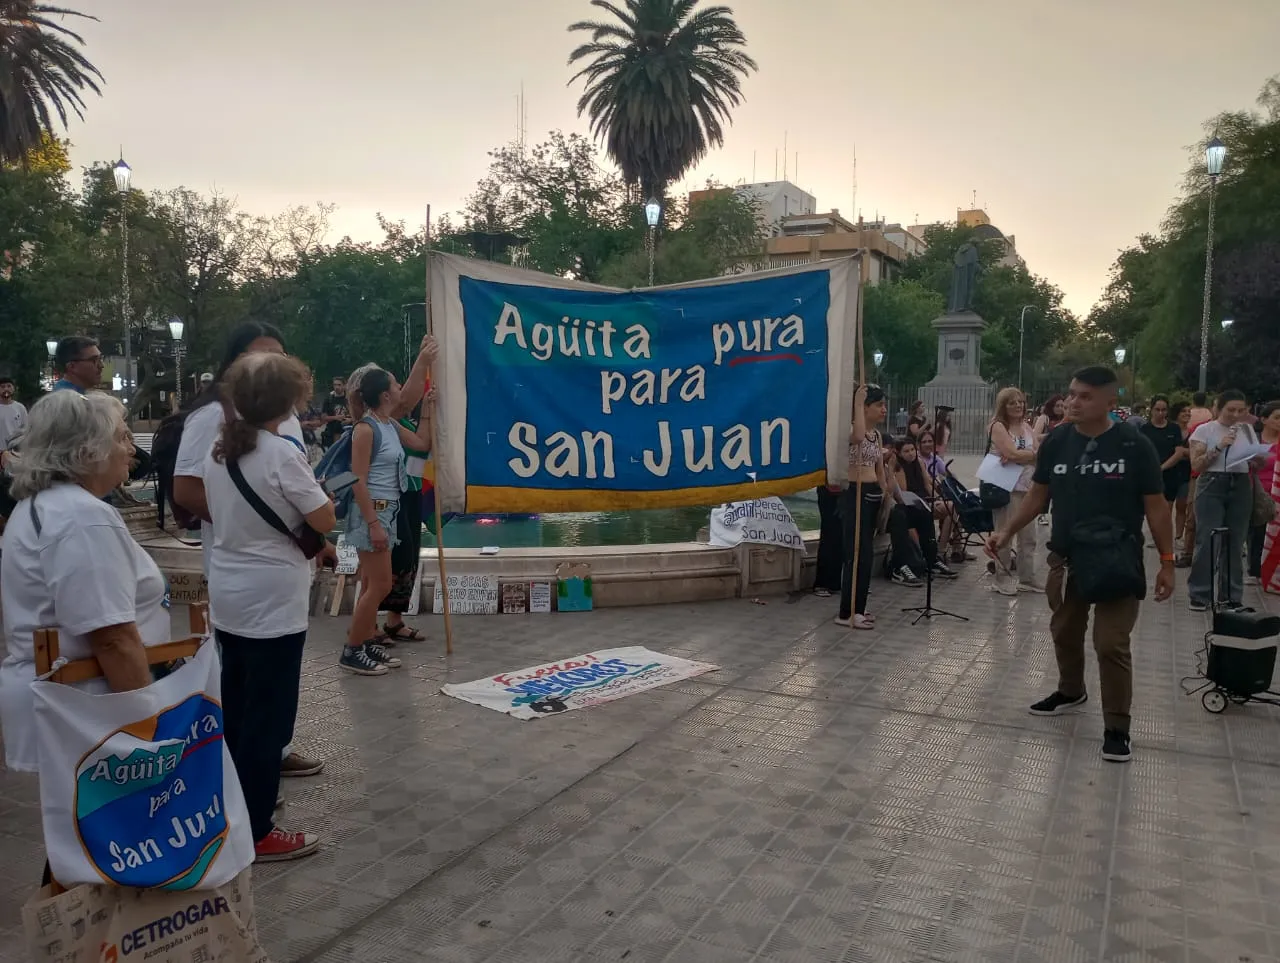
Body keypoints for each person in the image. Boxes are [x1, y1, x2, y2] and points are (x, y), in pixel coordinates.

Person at [985, 366, 1173, 763]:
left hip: (1117, 559)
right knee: (1065, 631)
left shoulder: (1133, 446)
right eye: (1071, 394)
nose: (1073, 402)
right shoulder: (1057, 443)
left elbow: (1156, 509)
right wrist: (1006, 533)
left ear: (1110, 402)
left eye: (1085, 396)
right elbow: (1038, 497)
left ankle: (1117, 727)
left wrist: (1168, 562)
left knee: (1111, 644)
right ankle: (1071, 690)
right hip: (1069, 559)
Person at [171, 320, 324, 781]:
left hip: (279, 565)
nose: (268, 368)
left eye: (277, 359)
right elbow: (186, 488)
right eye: (258, 360)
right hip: (249, 569)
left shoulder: (284, 418)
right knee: (255, 687)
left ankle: (271, 754)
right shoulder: (210, 421)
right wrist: (255, 523)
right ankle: (254, 786)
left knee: (266, 688)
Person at [204, 352, 336, 862]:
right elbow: (321, 518)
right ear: (288, 402)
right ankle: (257, 831)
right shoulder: (281, 453)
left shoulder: (222, 450)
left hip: (232, 594)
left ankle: (233, 809)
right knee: (267, 716)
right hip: (272, 598)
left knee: (237, 709)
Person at [0, 392, 166, 775]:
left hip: (70, 702)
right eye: (121, 437)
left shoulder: (44, 505)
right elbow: (112, 637)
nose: (130, 450)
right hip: (89, 707)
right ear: (88, 449)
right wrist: (147, 727)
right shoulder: (83, 517)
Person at [341, 366, 436, 674]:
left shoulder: (389, 424)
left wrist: (428, 410)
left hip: (389, 510)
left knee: (374, 582)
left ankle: (365, 643)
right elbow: (357, 480)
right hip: (375, 511)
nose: (400, 389)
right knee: (380, 585)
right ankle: (352, 649)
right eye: (396, 384)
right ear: (385, 395)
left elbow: (422, 444)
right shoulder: (365, 429)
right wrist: (372, 523)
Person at [1187, 390, 1267, 612]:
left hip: (1240, 483)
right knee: (1208, 538)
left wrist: (1258, 458)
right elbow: (1197, 465)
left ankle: (1230, 595)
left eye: (1241, 410)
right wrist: (1219, 447)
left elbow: (1255, 462)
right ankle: (1200, 593)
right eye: (1231, 410)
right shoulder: (1205, 430)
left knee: (1235, 540)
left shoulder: (1247, 430)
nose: (1236, 414)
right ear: (1218, 408)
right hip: (1212, 482)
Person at [836, 385, 887, 630]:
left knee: (866, 555)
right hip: (854, 493)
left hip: (872, 493)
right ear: (866, 408)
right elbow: (857, 437)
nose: (883, 410)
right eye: (878, 405)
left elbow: (880, 469)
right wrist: (857, 401)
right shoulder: (853, 431)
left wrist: (886, 494)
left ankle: (860, 605)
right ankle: (847, 611)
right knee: (856, 554)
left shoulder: (876, 436)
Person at [987, 387, 1040, 595]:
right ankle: (1001, 578)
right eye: (1012, 403)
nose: (1018, 406)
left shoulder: (1027, 427)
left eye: (1020, 402)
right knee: (1004, 533)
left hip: (1028, 486)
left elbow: (1034, 452)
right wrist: (1026, 454)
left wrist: (1021, 454)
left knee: (1029, 536)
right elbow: (1010, 452)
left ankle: (1027, 578)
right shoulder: (997, 426)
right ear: (1003, 406)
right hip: (1006, 486)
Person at [1139, 397, 1190, 545]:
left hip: (1171, 472)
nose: (1161, 413)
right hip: (1151, 474)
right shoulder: (1145, 429)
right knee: (1157, 509)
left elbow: (1178, 452)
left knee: (1173, 507)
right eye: (1157, 410)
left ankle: (1177, 537)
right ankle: (1158, 536)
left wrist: (1162, 467)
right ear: (1152, 410)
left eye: (1163, 410)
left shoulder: (1173, 429)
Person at [1177, 395, 1218, 569]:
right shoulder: (1201, 428)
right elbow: (1187, 451)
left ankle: (1214, 557)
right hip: (1199, 476)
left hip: (1222, 477)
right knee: (1192, 516)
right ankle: (1188, 553)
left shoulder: (1236, 430)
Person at [1249, 402, 1280, 586]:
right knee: (1257, 532)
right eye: (1276, 418)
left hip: (1277, 495)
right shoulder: (1255, 441)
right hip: (1258, 492)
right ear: (1264, 419)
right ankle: (1255, 570)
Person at [813, 481, 843, 598]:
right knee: (829, 534)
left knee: (840, 536)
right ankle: (822, 583)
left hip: (845, 489)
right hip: (829, 488)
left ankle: (835, 583)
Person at [0, 374, 27, 460]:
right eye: (2, 387)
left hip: (15, 452)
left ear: (13, 389)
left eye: (9, 386)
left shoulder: (20, 407)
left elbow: (26, 429)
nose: (6, 389)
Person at [321, 376, 352, 449]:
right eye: (335, 385)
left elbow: (358, 416)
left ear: (344, 385)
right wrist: (336, 417)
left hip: (348, 432)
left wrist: (350, 420)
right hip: (333, 433)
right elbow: (323, 418)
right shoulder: (329, 399)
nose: (337, 387)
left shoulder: (349, 399)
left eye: (339, 385)